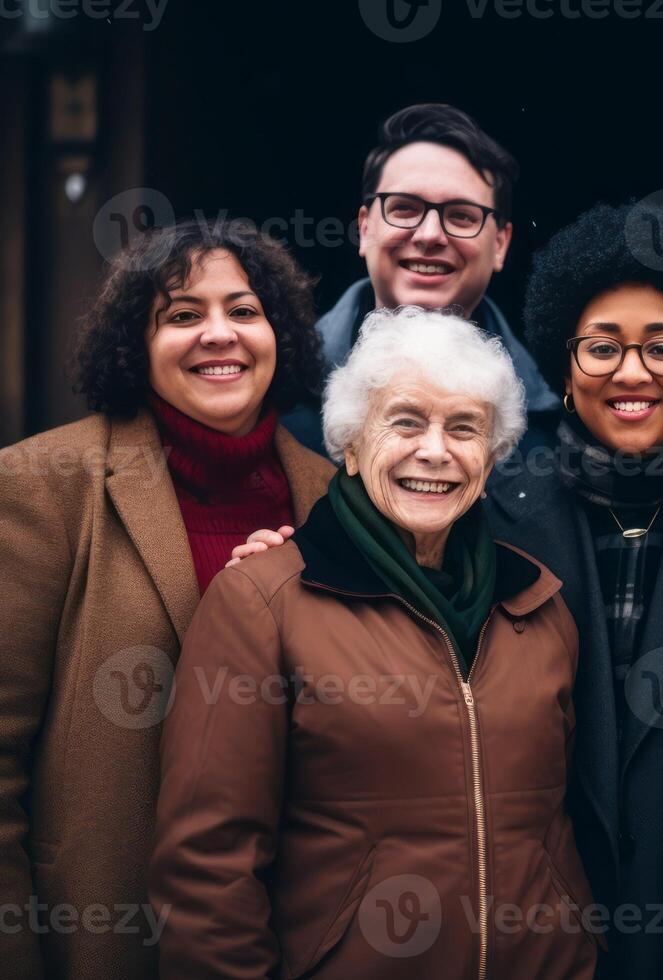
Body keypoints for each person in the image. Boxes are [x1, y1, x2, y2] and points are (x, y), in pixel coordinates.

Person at [150, 309, 597, 979]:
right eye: (406, 421)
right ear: (351, 444)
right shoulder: (262, 605)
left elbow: (559, 828)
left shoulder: (537, 603)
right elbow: (207, 871)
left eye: (464, 427)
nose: (436, 450)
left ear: (492, 456)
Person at [0, 220, 334, 978]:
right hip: (107, 936)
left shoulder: (334, 497)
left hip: (295, 939)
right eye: (182, 315)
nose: (220, 334)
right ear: (134, 345)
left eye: (244, 311)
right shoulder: (43, 484)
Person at [487, 202, 663, 978]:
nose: (631, 374)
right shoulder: (493, 511)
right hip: (534, 916)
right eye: (602, 348)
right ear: (564, 367)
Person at [282, 103, 559, 454]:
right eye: (404, 208)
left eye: (461, 216)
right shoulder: (277, 392)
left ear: (501, 244)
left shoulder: (555, 419)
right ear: (365, 228)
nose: (429, 235)